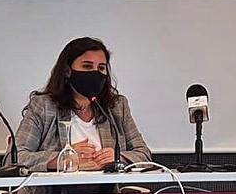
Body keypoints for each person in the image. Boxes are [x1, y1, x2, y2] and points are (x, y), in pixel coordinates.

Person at [12, 36, 151, 172]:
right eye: (87, 66)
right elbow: (15, 158)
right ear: (67, 71)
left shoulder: (117, 106)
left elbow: (144, 154)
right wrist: (62, 158)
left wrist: (120, 158)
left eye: (101, 68)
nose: (95, 74)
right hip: (55, 193)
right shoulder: (44, 106)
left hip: (108, 193)